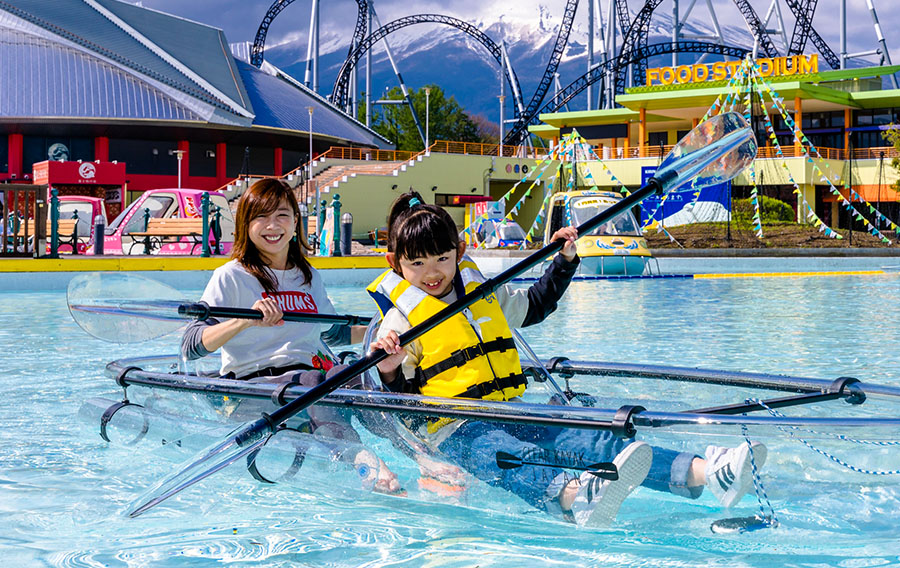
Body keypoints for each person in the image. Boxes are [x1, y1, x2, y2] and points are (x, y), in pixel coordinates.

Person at [369, 192, 766, 527]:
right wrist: (387, 366)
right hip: (458, 431)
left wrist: (563, 261)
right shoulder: (399, 323)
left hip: (512, 411)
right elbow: (406, 410)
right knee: (515, 457)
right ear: (395, 264)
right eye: (417, 264)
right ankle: (574, 499)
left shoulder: (480, 294)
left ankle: (707, 473)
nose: (432, 272)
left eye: (441, 258)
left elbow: (537, 305)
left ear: (459, 252)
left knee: (592, 437)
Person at [180, 178, 401, 494]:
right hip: (256, 388)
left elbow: (335, 333)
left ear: (296, 222)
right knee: (315, 382)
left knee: (353, 373)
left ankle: (420, 456)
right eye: (261, 216)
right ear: (246, 225)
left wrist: (385, 331)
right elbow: (192, 345)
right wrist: (246, 322)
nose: (272, 225)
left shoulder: (307, 275)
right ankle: (360, 460)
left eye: (282, 215)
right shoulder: (231, 276)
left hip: (316, 377)